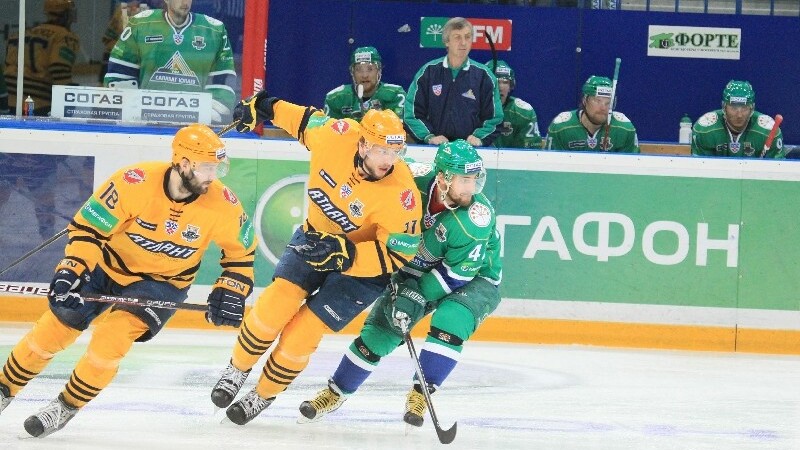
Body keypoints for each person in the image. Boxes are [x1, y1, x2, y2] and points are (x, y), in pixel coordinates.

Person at [0, 124, 257, 438]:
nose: (213, 176)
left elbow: (241, 255)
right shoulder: (134, 182)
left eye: (217, 168)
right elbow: (89, 230)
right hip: (107, 266)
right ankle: (4, 388)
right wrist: (71, 269)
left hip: (164, 283)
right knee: (53, 330)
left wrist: (232, 288)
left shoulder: (223, 205)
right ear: (183, 163)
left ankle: (67, 404)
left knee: (111, 340)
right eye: (207, 167)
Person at [209, 91, 423, 425]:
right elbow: (301, 119)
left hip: (362, 271)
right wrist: (263, 105)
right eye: (382, 150)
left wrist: (347, 254)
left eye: (396, 152)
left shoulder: (403, 194)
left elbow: (398, 253)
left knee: (303, 332)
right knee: (275, 304)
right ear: (363, 144)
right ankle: (237, 369)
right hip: (316, 238)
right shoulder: (335, 135)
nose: (389, 159)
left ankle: (263, 394)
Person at [297, 140, 502, 427]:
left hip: (475, 277)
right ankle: (335, 392)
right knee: (380, 332)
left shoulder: (474, 220)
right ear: (442, 177)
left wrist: (415, 295)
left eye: (474, 179)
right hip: (414, 270)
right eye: (464, 179)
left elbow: (458, 275)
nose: (472, 188)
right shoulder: (409, 180)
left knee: (451, 319)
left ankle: (421, 393)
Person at [103, 0, 236, 123]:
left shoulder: (214, 31)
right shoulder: (140, 25)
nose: (185, 2)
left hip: (194, 126)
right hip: (145, 122)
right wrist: (133, 110)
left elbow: (223, 82)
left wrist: (207, 114)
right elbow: (119, 75)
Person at [404, 17, 503, 147]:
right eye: (457, 37)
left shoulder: (484, 76)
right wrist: (428, 137)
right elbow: (411, 114)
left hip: (472, 150)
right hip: (435, 149)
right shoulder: (428, 72)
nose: (463, 43)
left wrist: (479, 137)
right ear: (447, 42)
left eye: (467, 37)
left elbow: (495, 118)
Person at [2, 0, 79, 116]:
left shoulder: (22, 33)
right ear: (65, 14)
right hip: (37, 103)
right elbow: (59, 69)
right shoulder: (64, 36)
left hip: (8, 99)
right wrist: (68, 99)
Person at [691, 80, 784, 158]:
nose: (739, 115)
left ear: (752, 108)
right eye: (733, 108)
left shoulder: (768, 130)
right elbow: (700, 169)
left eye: (744, 108)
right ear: (724, 107)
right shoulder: (705, 130)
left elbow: (777, 170)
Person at [546, 75, 639, 153]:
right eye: (597, 101)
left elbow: (633, 165)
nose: (603, 107)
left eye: (608, 102)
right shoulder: (561, 127)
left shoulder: (625, 129)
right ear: (584, 100)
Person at [323, 46, 407, 121]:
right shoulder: (335, 98)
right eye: (359, 70)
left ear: (379, 71)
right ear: (352, 72)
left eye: (370, 69)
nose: (364, 75)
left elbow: (397, 130)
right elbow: (329, 131)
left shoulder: (395, 95)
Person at [486, 59, 541, 149]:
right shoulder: (469, 109)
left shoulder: (523, 113)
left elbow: (532, 152)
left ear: (511, 86)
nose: (500, 87)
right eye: (496, 81)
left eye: (505, 82)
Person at [99, 1, 146, 83]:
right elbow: (108, 39)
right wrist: (119, 50)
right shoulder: (122, 11)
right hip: (119, 57)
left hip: (140, 59)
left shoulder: (149, 11)